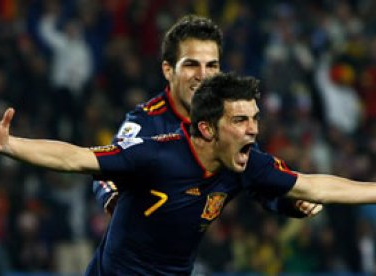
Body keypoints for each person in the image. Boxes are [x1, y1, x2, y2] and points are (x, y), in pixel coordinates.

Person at [0, 72, 376, 275]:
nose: (254, 130)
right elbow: (75, 158)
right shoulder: (155, 157)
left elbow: (316, 184)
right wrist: (10, 145)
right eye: (241, 120)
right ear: (207, 128)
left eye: (255, 119)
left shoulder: (248, 163)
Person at [92, 14, 321, 218]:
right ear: (168, 70)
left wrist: (290, 204)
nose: (203, 76)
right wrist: (112, 197)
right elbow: (106, 171)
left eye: (211, 66)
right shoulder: (146, 121)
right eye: (192, 65)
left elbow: (259, 181)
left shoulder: (229, 121)